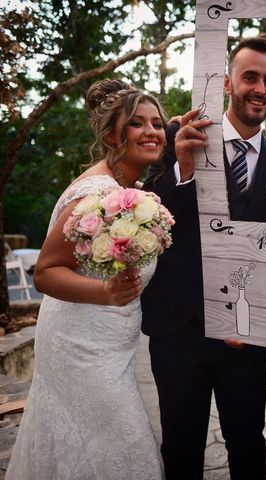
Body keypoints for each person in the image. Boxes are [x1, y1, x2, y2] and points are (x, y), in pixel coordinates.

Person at [140, 37, 266, 479]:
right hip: (180, 327)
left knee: (248, 442)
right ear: (229, 82)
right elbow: (147, 218)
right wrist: (182, 169)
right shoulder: (181, 135)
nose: (260, 88)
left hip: (246, 337)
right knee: (181, 444)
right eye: (250, 77)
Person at [7, 79, 165, 478]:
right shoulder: (95, 194)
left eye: (158, 124)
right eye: (137, 123)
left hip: (114, 346)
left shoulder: (132, 191)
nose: (152, 131)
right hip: (80, 345)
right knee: (121, 442)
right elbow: (44, 273)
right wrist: (105, 292)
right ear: (113, 133)